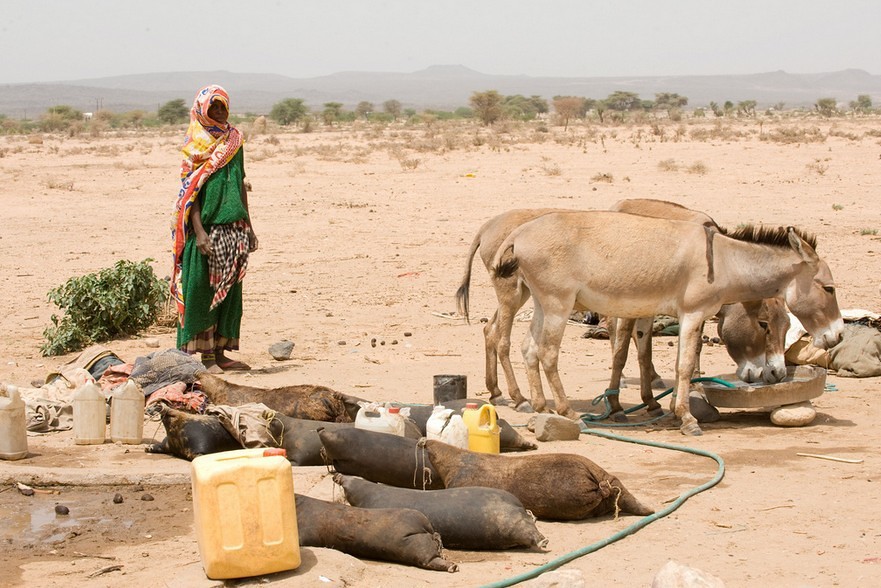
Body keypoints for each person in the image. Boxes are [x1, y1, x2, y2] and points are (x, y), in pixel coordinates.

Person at [171, 85, 257, 373]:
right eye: (213, 107)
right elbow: (190, 194)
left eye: (222, 107)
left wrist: (249, 226)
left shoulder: (235, 140)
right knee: (201, 292)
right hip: (206, 229)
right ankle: (205, 358)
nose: (219, 112)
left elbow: (241, 183)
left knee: (230, 294)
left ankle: (220, 354)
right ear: (202, 110)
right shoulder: (194, 145)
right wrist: (200, 232)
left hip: (234, 227)